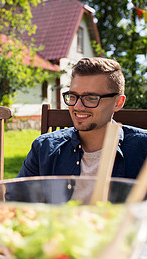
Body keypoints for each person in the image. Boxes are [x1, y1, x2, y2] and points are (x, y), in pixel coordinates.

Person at [17, 57, 147, 181]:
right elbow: (16, 198)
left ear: (118, 102)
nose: (77, 106)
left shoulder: (142, 150)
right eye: (73, 96)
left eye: (91, 98)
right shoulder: (44, 148)